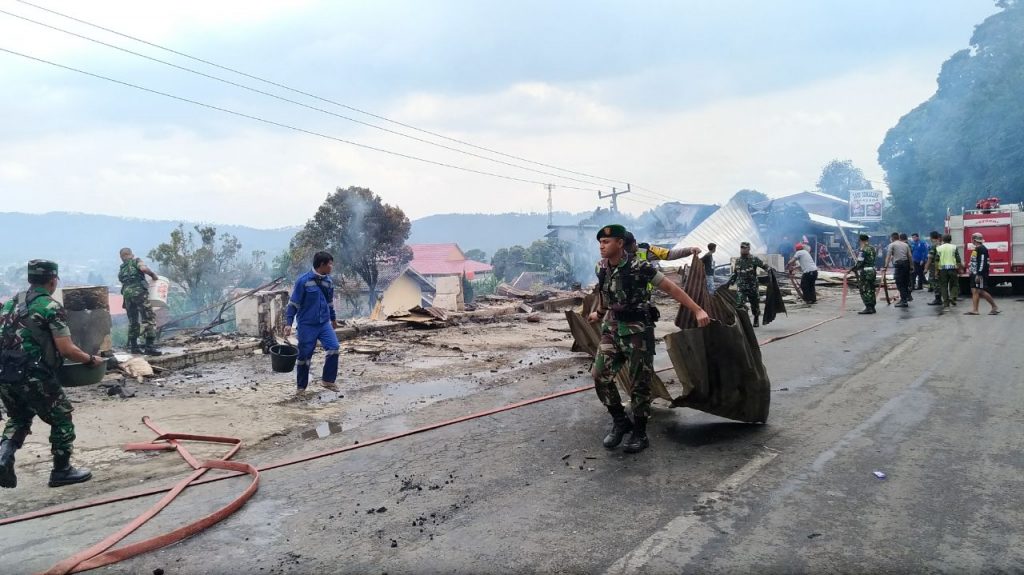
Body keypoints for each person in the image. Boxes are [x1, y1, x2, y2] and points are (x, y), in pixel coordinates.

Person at [589, 225, 710, 454]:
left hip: (637, 331)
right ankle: (620, 422)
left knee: (639, 383)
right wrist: (599, 312)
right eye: (600, 242)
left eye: (606, 242)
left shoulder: (640, 266)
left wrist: (697, 310)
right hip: (612, 329)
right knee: (599, 375)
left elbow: (671, 288)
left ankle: (640, 433)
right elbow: (606, 294)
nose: (601, 246)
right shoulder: (601, 267)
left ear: (620, 244)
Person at [0, 260, 96, 488]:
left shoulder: (10, 304)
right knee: (61, 417)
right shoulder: (50, 306)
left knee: (20, 417)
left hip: (5, 372)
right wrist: (91, 360)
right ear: (53, 281)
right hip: (33, 374)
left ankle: (3, 457)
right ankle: (62, 470)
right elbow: (67, 349)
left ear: (30, 279)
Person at [284, 251, 341, 396]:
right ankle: (301, 388)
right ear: (322, 265)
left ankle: (328, 380)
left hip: (324, 323)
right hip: (307, 325)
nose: (331, 267)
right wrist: (288, 323)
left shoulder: (328, 282)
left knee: (334, 347)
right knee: (304, 356)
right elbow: (293, 304)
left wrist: (333, 319)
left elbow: (329, 303)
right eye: (330, 264)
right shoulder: (303, 281)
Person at [118, 248, 162, 355]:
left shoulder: (122, 269)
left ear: (121, 257)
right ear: (131, 254)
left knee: (133, 321)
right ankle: (149, 347)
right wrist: (153, 275)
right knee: (148, 318)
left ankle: (134, 347)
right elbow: (143, 269)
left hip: (127, 297)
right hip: (139, 294)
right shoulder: (136, 261)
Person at [726, 242, 769, 327]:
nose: (743, 249)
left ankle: (756, 318)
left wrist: (770, 271)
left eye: (745, 248)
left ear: (749, 249)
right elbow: (735, 273)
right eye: (742, 248)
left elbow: (764, 266)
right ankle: (743, 321)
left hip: (752, 286)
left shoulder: (754, 259)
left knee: (755, 304)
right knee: (739, 304)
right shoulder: (738, 260)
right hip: (741, 287)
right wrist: (729, 282)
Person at [965, 232, 1000, 316]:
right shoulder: (977, 248)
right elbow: (974, 261)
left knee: (980, 291)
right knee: (974, 290)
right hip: (974, 273)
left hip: (979, 274)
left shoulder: (982, 249)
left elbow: (982, 262)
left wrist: (979, 274)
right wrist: (971, 270)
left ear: (974, 240)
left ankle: (994, 306)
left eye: (972, 239)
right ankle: (975, 310)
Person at [884, 232, 913, 307]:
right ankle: (905, 298)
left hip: (899, 265)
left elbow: (888, 256)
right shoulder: (905, 244)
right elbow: (910, 256)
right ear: (898, 237)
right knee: (905, 282)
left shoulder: (892, 245)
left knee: (900, 283)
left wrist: (885, 266)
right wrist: (911, 266)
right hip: (906, 264)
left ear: (892, 238)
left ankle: (904, 301)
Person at [935, 234, 963, 309]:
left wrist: (936, 271)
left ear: (943, 240)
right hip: (952, 269)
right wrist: (960, 269)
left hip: (942, 270)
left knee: (943, 286)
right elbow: (958, 259)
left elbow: (937, 260)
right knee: (955, 284)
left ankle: (946, 303)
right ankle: (952, 296)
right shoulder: (954, 247)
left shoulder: (939, 248)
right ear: (950, 240)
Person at [851, 234, 877, 314]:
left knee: (865, 289)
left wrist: (854, 268)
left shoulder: (863, 249)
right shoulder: (872, 248)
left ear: (860, 240)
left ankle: (868, 307)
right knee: (871, 289)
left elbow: (860, 261)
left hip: (865, 272)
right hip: (872, 270)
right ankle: (872, 307)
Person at [925, 231, 943, 305]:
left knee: (934, 282)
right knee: (940, 282)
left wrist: (926, 268)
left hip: (934, 266)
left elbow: (930, 258)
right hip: (942, 265)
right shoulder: (941, 245)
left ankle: (938, 299)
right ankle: (941, 297)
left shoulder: (934, 246)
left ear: (931, 237)